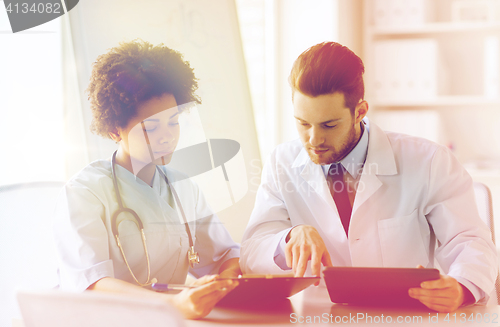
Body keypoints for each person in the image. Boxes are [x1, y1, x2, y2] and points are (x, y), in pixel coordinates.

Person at [240, 41, 498, 312]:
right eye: (303, 123)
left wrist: (461, 287)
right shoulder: (281, 163)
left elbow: (470, 241)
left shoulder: (428, 161)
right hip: (321, 317)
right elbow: (251, 252)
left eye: (329, 125)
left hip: (403, 317)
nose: (314, 140)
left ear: (360, 112)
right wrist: (289, 238)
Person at [53, 39, 241, 319]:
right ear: (116, 130)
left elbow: (226, 256)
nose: (167, 136)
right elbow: (90, 283)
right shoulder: (85, 192)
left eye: (173, 122)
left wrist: (222, 283)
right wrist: (172, 305)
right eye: (150, 126)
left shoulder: (184, 189)